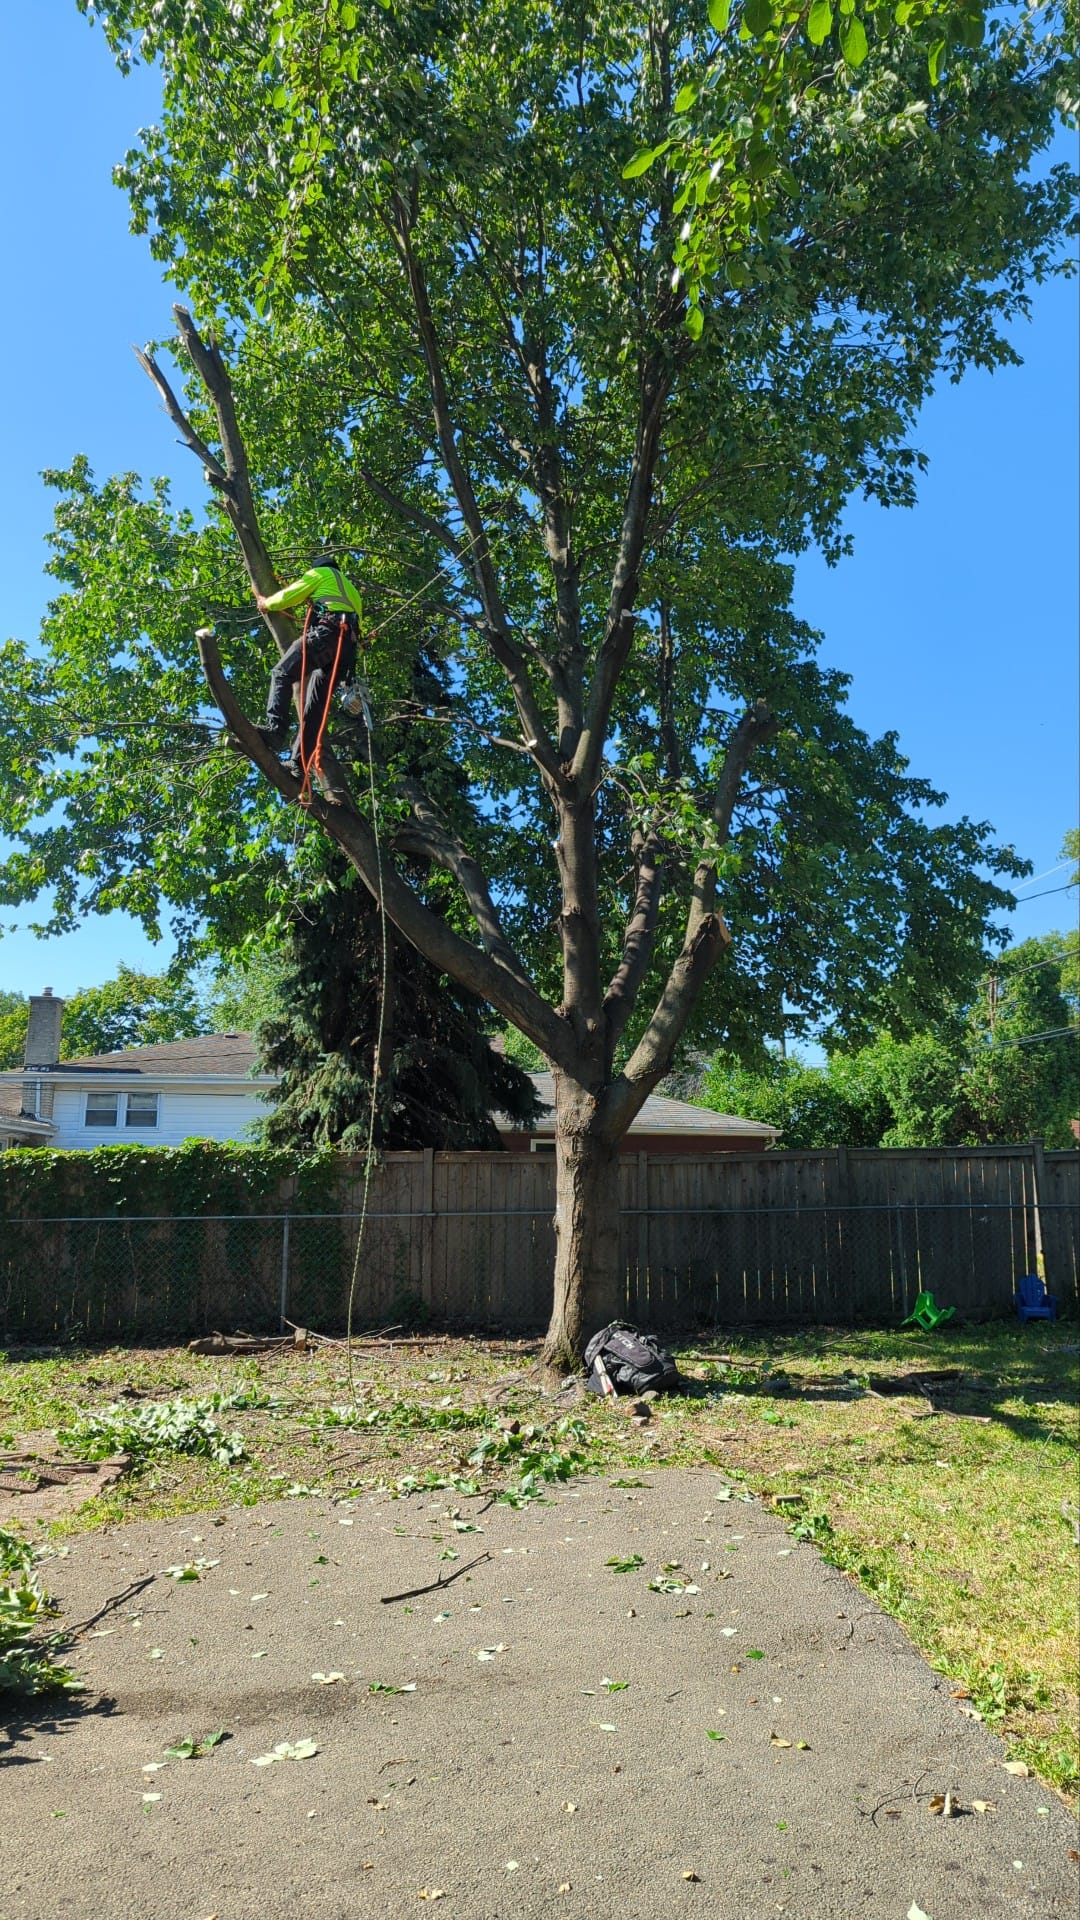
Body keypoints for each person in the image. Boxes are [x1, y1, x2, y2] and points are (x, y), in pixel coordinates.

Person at [253, 555, 365, 773]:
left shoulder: (319, 574)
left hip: (328, 634)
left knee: (282, 673)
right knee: (314, 708)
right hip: (346, 652)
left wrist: (266, 603)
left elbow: (291, 594)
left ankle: (275, 732)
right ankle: (298, 765)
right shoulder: (351, 590)